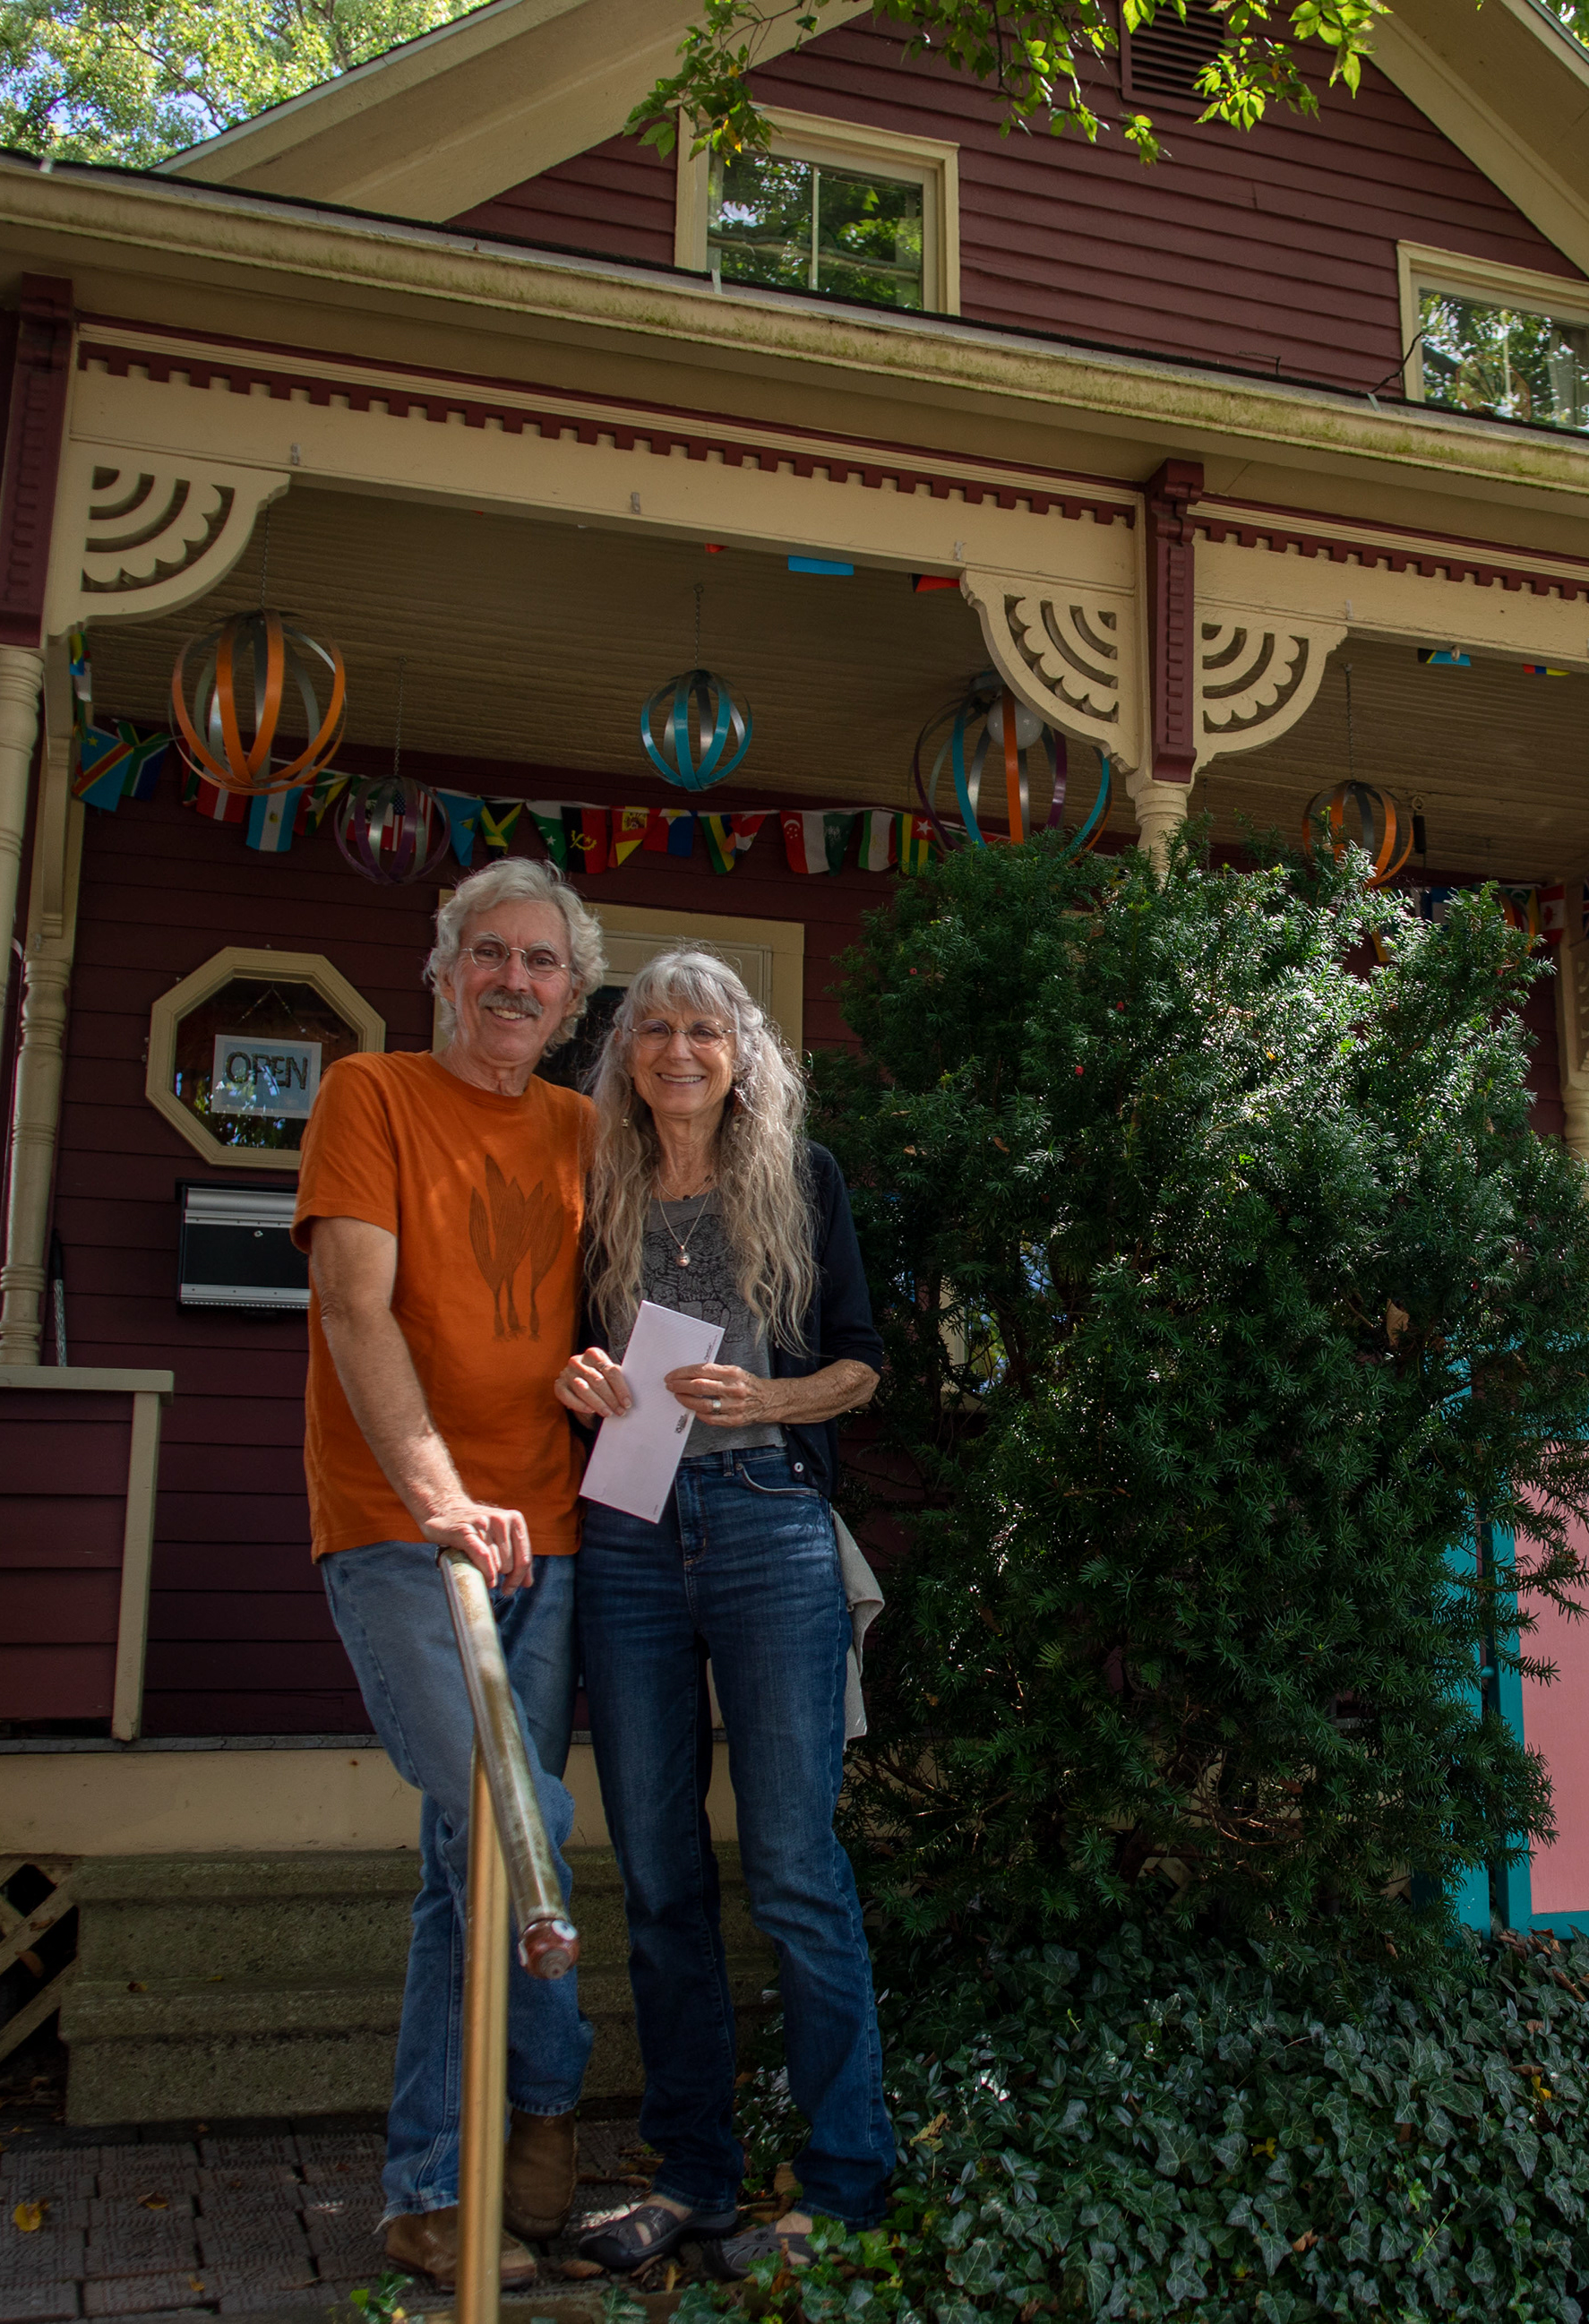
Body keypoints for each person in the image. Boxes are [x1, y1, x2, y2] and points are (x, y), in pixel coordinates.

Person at [292, 858, 606, 2295]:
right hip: (403, 1533)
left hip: (553, 1531)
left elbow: (614, 1311)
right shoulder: (371, 1095)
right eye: (492, 954)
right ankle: (537, 2115)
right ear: (445, 969)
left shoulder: (588, 1129)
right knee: (508, 1819)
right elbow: (356, 1309)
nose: (516, 981)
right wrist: (441, 1500)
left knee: (454, 1872)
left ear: (572, 993)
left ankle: (445, 2186)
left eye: (544, 963)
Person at [554, 948, 893, 2278]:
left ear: (742, 1052)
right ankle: (691, 2177)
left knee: (798, 1867)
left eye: (705, 1029)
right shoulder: (593, 1182)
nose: (679, 1050)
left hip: (765, 1521)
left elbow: (865, 1362)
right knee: (657, 1875)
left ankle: (845, 2181)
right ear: (626, 1053)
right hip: (627, 1528)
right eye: (654, 1029)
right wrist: (575, 1374)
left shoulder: (803, 1181)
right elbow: (551, 1352)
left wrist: (774, 1400)